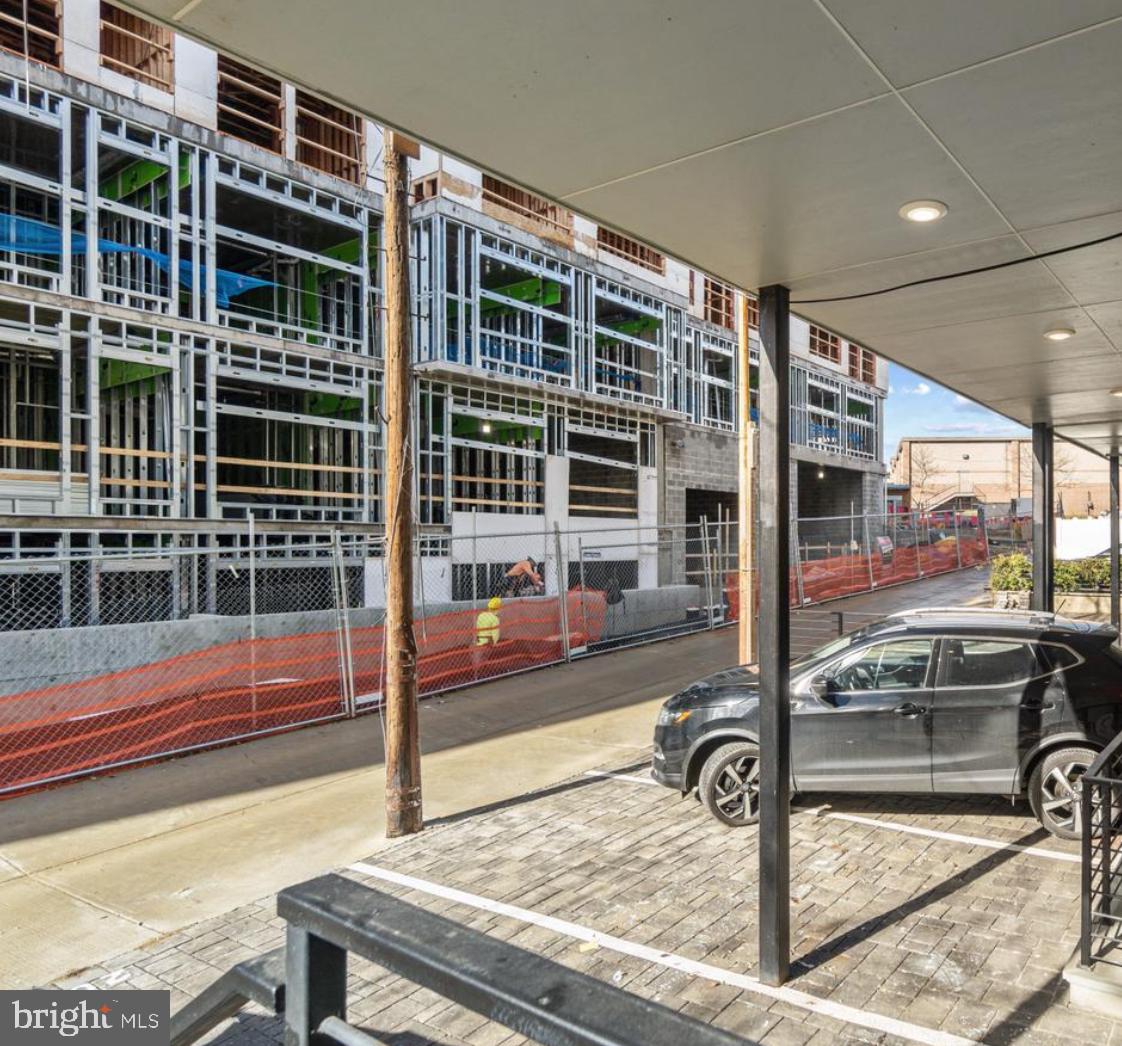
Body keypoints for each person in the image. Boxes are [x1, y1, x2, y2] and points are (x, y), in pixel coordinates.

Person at [472, 596, 502, 678]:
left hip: (479, 641)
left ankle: (476, 674)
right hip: (488, 643)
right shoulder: (495, 619)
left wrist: (477, 638)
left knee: (477, 659)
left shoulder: (481, 615)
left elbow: (477, 628)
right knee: (484, 659)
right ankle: (481, 674)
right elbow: (495, 634)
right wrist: (493, 643)